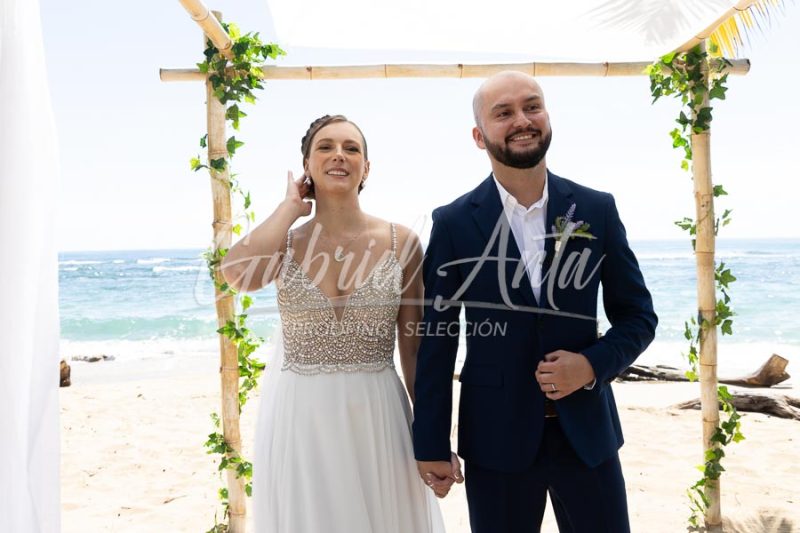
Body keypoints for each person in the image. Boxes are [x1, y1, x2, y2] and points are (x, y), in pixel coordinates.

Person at [412, 71, 658, 532]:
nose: (522, 120)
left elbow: (638, 317)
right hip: (495, 439)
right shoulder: (452, 222)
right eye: (503, 113)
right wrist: (430, 441)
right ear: (478, 135)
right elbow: (438, 339)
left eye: (532, 106)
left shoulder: (596, 208)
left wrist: (591, 365)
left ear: (547, 117)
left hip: (587, 436)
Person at [221, 115, 451, 532]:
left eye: (352, 147)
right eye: (325, 147)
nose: (339, 155)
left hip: (378, 413)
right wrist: (289, 208)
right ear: (306, 165)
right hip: (301, 416)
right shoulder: (284, 242)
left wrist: (433, 436)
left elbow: (413, 349)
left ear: (367, 166)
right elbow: (236, 275)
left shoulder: (404, 242)